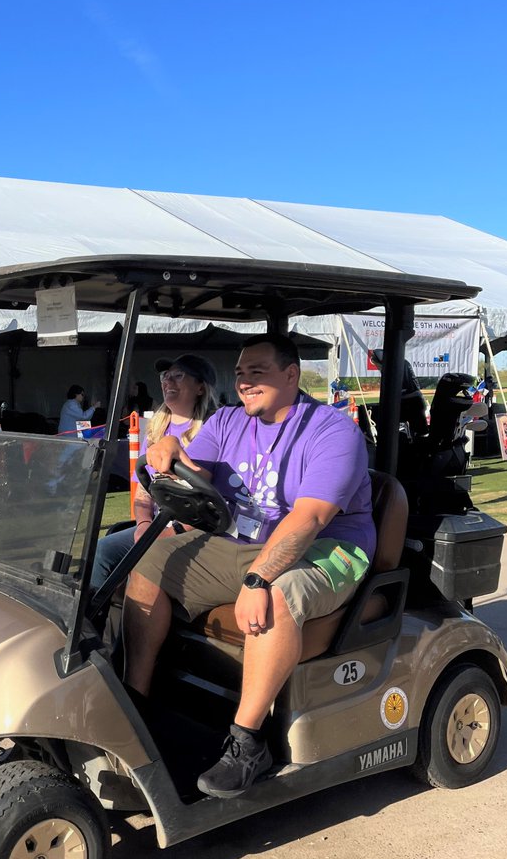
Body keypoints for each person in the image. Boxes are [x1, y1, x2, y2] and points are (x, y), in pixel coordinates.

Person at [122, 333, 375, 798]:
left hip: (329, 546)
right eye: (240, 373)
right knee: (150, 559)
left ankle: (247, 742)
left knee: (277, 596)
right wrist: (176, 455)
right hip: (244, 537)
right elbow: (199, 473)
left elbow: (310, 517)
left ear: (291, 375)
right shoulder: (226, 421)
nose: (244, 382)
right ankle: (136, 700)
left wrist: (258, 578)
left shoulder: (333, 431)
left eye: (257, 372)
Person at [91, 354, 218, 587]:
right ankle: (94, 620)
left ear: (200, 387)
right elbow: (143, 489)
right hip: (159, 525)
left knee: (147, 562)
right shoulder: (157, 430)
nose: (167, 382)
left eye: (178, 376)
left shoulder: (215, 431)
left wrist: (172, 531)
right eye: (165, 376)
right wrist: (143, 525)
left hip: (197, 530)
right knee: (103, 551)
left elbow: (213, 501)